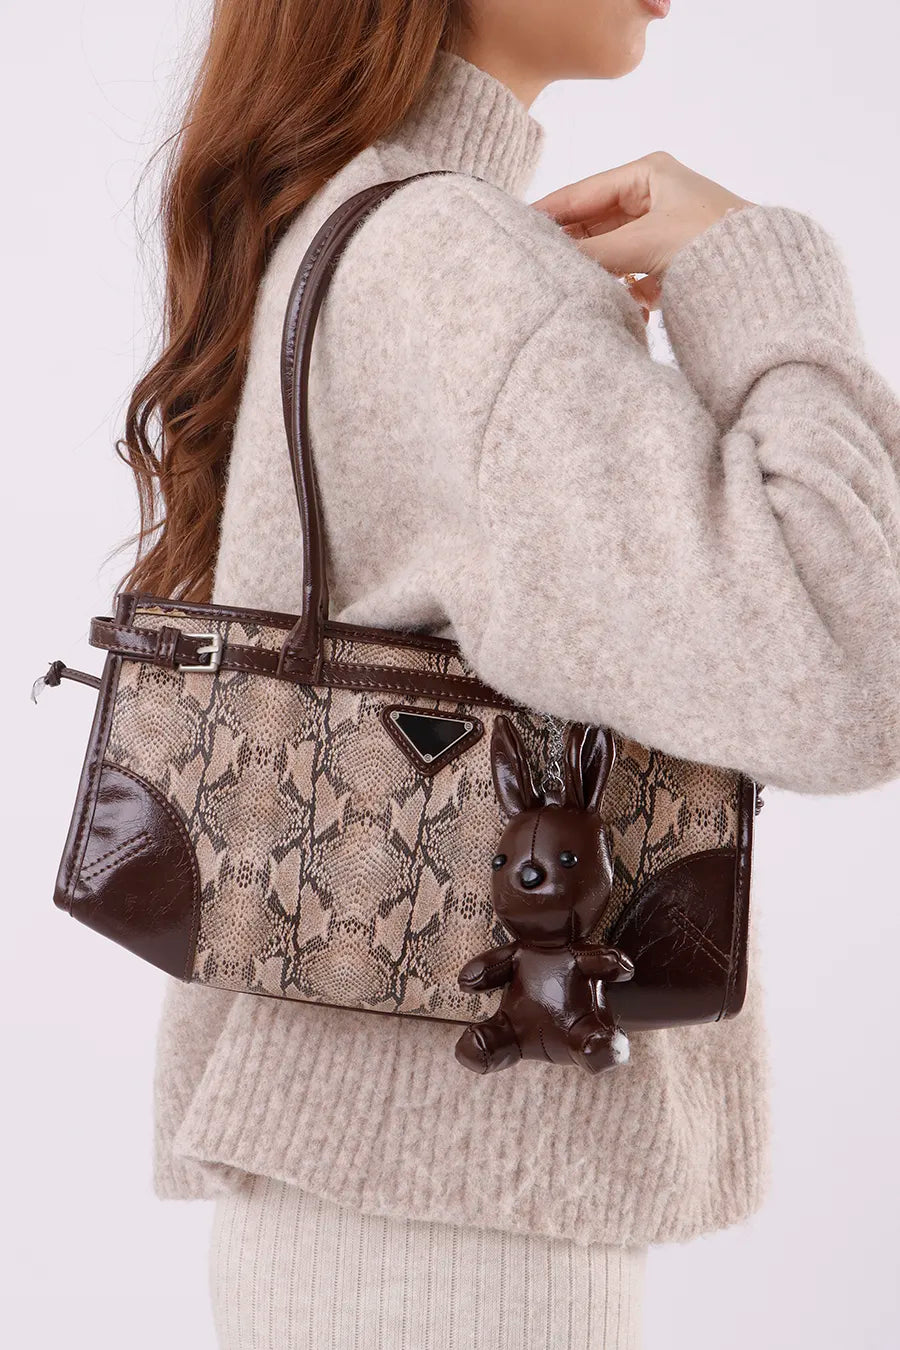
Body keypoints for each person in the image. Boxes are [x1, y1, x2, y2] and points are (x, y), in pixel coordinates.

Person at [118, 2, 900, 1346]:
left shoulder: (379, 229)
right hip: (452, 1254)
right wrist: (760, 277)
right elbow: (850, 668)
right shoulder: (451, 259)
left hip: (385, 1214)